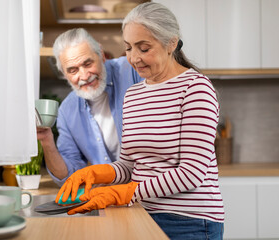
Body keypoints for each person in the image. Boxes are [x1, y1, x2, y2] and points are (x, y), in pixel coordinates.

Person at [55, 2, 224, 239]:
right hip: (140, 213)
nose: (134, 58)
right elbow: (129, 166)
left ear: (171, 43)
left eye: (144, 48)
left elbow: (191, 172)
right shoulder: (134, 94)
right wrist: (95, 174)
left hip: (190, 222)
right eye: (128, 48)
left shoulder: (195, 88)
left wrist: (124, 193)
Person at [37, 28, 143, 186]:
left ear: (101, 54)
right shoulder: (67, 111)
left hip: (154, 190)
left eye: (88, 63)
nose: (84, 76)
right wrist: (46, 141)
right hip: (111, 199)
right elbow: (69, 177)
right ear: (63, 73)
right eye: (73, 70)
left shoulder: (133, 70)